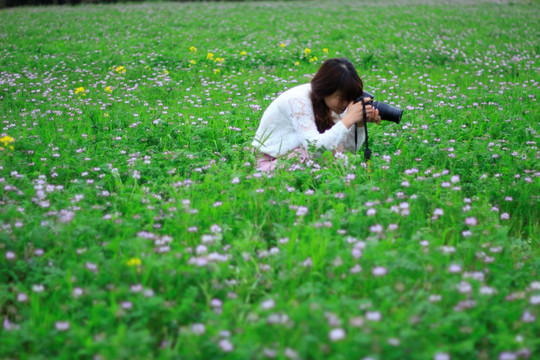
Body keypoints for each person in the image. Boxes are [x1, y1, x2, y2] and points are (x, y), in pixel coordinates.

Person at [251, 58, 381, 172]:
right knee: (314, 155)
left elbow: (346, 151)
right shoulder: (298, 100)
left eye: (350, 98)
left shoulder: (333, 103)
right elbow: (314, 149)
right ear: (326, 89)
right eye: (341, 98)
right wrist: (348, 120)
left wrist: (359, 124)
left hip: (296, 158)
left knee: (335, 156)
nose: (346, 103)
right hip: (267, 163)